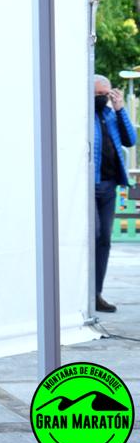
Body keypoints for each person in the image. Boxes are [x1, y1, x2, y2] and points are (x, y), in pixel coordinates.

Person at [94, 74, 135, 313]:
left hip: (109, 186)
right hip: (90, 186)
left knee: (105, 239)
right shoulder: (83, 117)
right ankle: (82, 292)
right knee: (94, 233)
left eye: (106, 94)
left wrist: (120, 109)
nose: (103, 98)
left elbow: (130, 140)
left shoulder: (111, 115)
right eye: (98, 94)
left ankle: (96, 293)